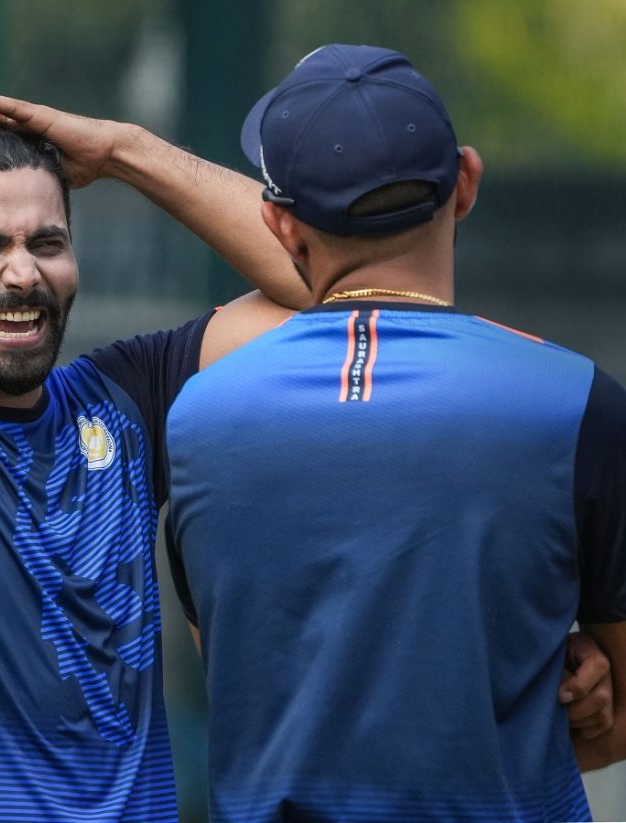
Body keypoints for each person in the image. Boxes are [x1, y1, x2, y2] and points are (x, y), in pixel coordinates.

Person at [0, 89, 614, 819]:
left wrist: (125, 152)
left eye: (47, 240)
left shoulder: (125, 396)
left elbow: (333, 286)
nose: (23, 272)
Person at [160, 44, 626, 820]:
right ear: (467, 182)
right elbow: (611, 730)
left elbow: (248, 684)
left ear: (278, 222)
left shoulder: (198, 414)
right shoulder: (576, 403)